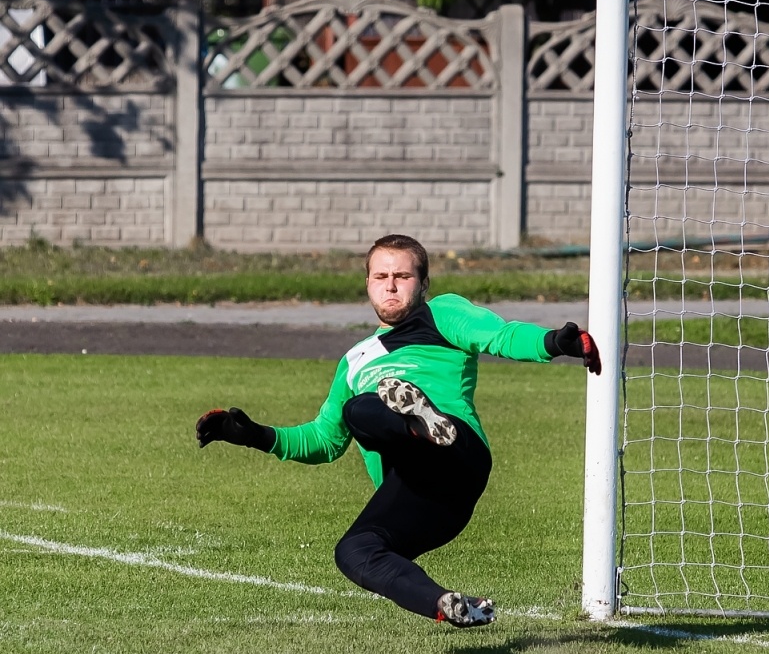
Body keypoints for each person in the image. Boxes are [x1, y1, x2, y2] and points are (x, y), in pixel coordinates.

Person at [195, 234, 600, 627]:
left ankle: (422, 423)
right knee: (354, 551)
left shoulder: (441, 313)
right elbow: (324, 440)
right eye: (380, 277)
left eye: (402, 277)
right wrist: (254, 435)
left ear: (423, 283)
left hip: (457, 452)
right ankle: (446, 603)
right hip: (423, 496)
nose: (390, 286)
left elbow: (500, 335)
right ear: (368, 284)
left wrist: (554, 342)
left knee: (364, 407)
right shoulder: (354, 360)